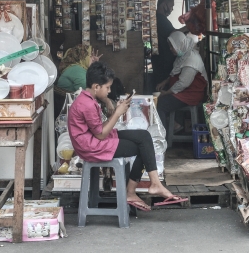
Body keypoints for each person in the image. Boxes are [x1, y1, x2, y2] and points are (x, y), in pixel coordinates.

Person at [68, 61, 187, 211]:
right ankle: (133, 191)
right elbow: (100, 135)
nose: (109, 91)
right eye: (107, 87)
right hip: (91, 146)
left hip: (95, 139)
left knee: (144, 136)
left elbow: (98, 129)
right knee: (141, 147)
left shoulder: (89, 99)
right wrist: (118, 113)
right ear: (96, 87)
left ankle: (154, 183)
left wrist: (116, 110)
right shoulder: (87, 104)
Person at [156, 31, 208, 133]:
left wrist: (166, 93)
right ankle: (176, 125)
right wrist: (165, 82)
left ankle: (162, 135)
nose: (171, 49)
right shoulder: (184, 55)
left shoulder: (192, 60)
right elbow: (175, 72)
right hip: (183, 91)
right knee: (159, 100)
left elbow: (183, 83)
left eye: (172, 46)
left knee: (160, 104)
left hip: (192, 94)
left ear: (180, 45)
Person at [151, 0, 177, 87]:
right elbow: (174, 34)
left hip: (159, 62)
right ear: (163, 4)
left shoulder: (158, 19)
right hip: (163, 64)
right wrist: (188, 27)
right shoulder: (161, 20)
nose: (172, 9)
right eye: (171, 6)